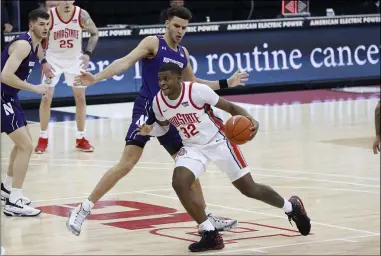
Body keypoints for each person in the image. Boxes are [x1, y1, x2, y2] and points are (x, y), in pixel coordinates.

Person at [66, 6, 248, 236]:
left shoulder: (183, 54)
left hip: (169, 115)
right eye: (176, 26)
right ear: (167, 24)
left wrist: (226, 83)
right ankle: (82, 209)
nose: (180, 31)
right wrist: (97, 79)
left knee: (187, 168)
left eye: (184, 28)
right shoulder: (153, 43)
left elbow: (195, 84)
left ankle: (206, 217)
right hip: (147, 109)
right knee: (127, 164)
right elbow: (125, 61)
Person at [138, 63, 311, 252]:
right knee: (179, 182)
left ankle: (291, 207)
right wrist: (150, 129)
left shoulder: (197, 91)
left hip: (219, 141)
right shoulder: (158, 102)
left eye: (167, 78)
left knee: (249, 188)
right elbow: (163, 127)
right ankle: (210, 233)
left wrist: (252, 120)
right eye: (160, 79)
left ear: (179, 79)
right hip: (193, 147)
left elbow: (231, 107)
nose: (162, 83)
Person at [0, 8, 50, 217]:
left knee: (24, 142)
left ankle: (7, 188)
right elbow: (4, 76)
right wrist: (35, 88)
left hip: (10, 97)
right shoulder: (22, 45)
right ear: (31, 25)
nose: (45, 28)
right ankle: (15, 201)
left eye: (47, 24)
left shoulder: (38, 45)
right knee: (26, 146)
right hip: (2, 95)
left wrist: (46, 65)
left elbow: (40, 58)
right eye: (41, 24)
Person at [34, 0, 99, 153]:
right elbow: (35, 39)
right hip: (52, 60)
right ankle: (43, 138)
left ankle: (81, 138)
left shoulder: (81, 14)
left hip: (75, 60)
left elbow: (94, 33)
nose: (68, 2)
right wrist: (43, 61)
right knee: (45, 98)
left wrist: (88, 54)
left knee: (80, 98)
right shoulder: (49, 16)